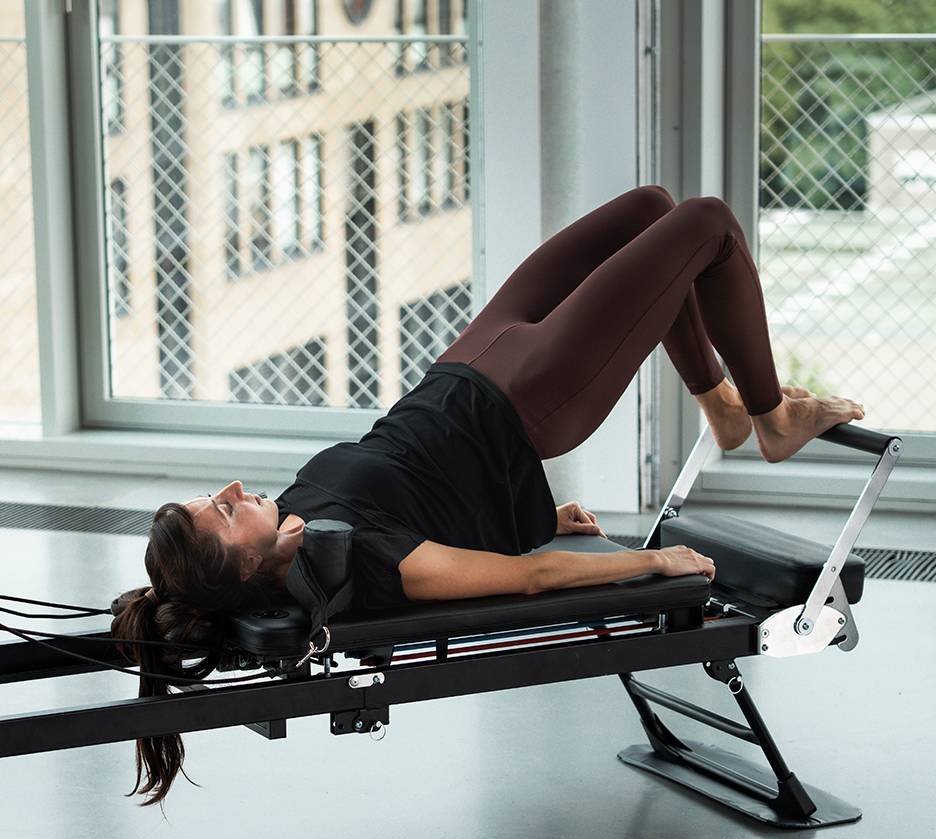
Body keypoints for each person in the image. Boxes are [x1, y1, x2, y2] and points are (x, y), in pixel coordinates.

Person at [111, 185, 864, 807]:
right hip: (533, 397)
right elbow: (529, 577)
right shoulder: (365, 562)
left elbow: (420, 492)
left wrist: (535, 515)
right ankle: (770, 419)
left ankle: (725, 408)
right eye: (223, 511)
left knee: (647, 208)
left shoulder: (297, 524)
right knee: (707, 224)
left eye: (218, 496)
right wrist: (653, 562)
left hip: (468, 362)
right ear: (245, 567)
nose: (233, 491)